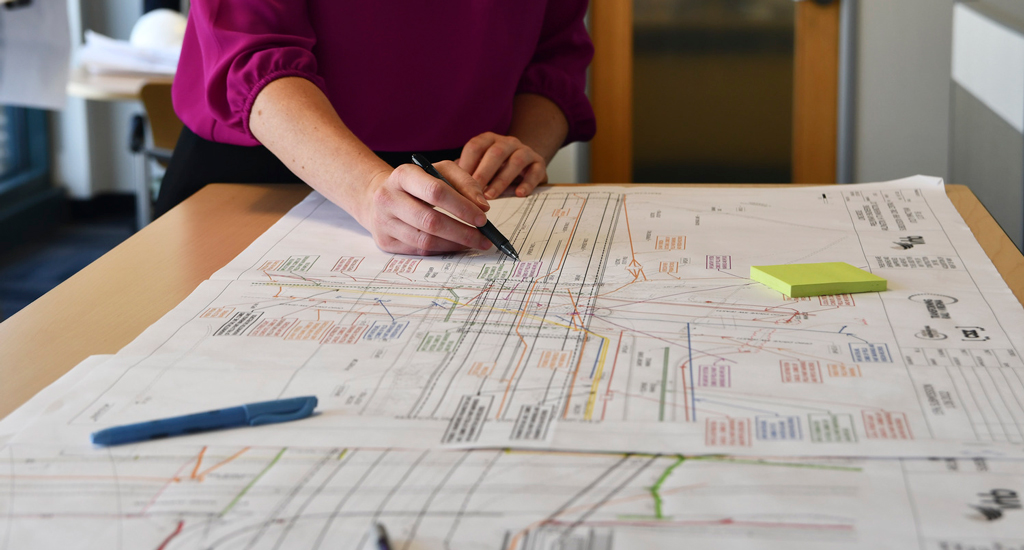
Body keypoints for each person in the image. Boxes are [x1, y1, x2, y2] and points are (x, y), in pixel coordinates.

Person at [156, 1, 596, 255]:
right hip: (266, 178)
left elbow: (556, 52)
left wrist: (521, 146)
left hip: (466, 186)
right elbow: (249, 54)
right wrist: (367, 188)